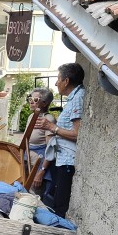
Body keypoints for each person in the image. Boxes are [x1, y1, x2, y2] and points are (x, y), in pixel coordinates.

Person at [43, 63, 85, 218]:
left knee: (60, 206)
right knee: (56, 202)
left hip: (68, 160)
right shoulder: (74, 97)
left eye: (58, 79)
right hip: (62, 159)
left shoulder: (78, 98)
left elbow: (78, 134)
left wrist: (53, 128)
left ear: (66, 81)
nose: (56, 83)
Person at [27, 88, 56, 197]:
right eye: (30, 99)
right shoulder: (31, 116)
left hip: (39, 162)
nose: (31, 102)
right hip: (27, 158)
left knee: (34, 194)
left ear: (44, 103)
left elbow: (50, 148)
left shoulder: (48, 119)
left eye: (35, 99)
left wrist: (41, 171)